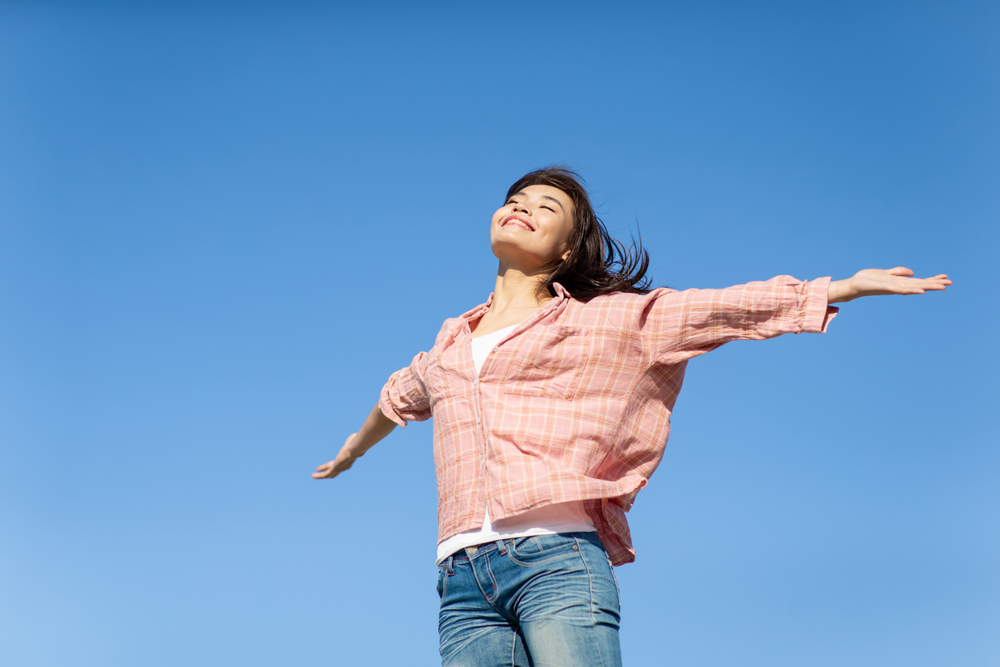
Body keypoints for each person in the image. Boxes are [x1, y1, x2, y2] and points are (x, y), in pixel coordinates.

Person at [311, 167, 951, 667]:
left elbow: (718, 310)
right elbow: (398, 395)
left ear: (566, 251)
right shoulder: (452, 342)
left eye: (547, 208)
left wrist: (840, 287)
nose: (524, 208)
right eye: (517, 198)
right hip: (459, 579)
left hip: (555, 561)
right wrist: (352, 449)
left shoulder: (608, 318)